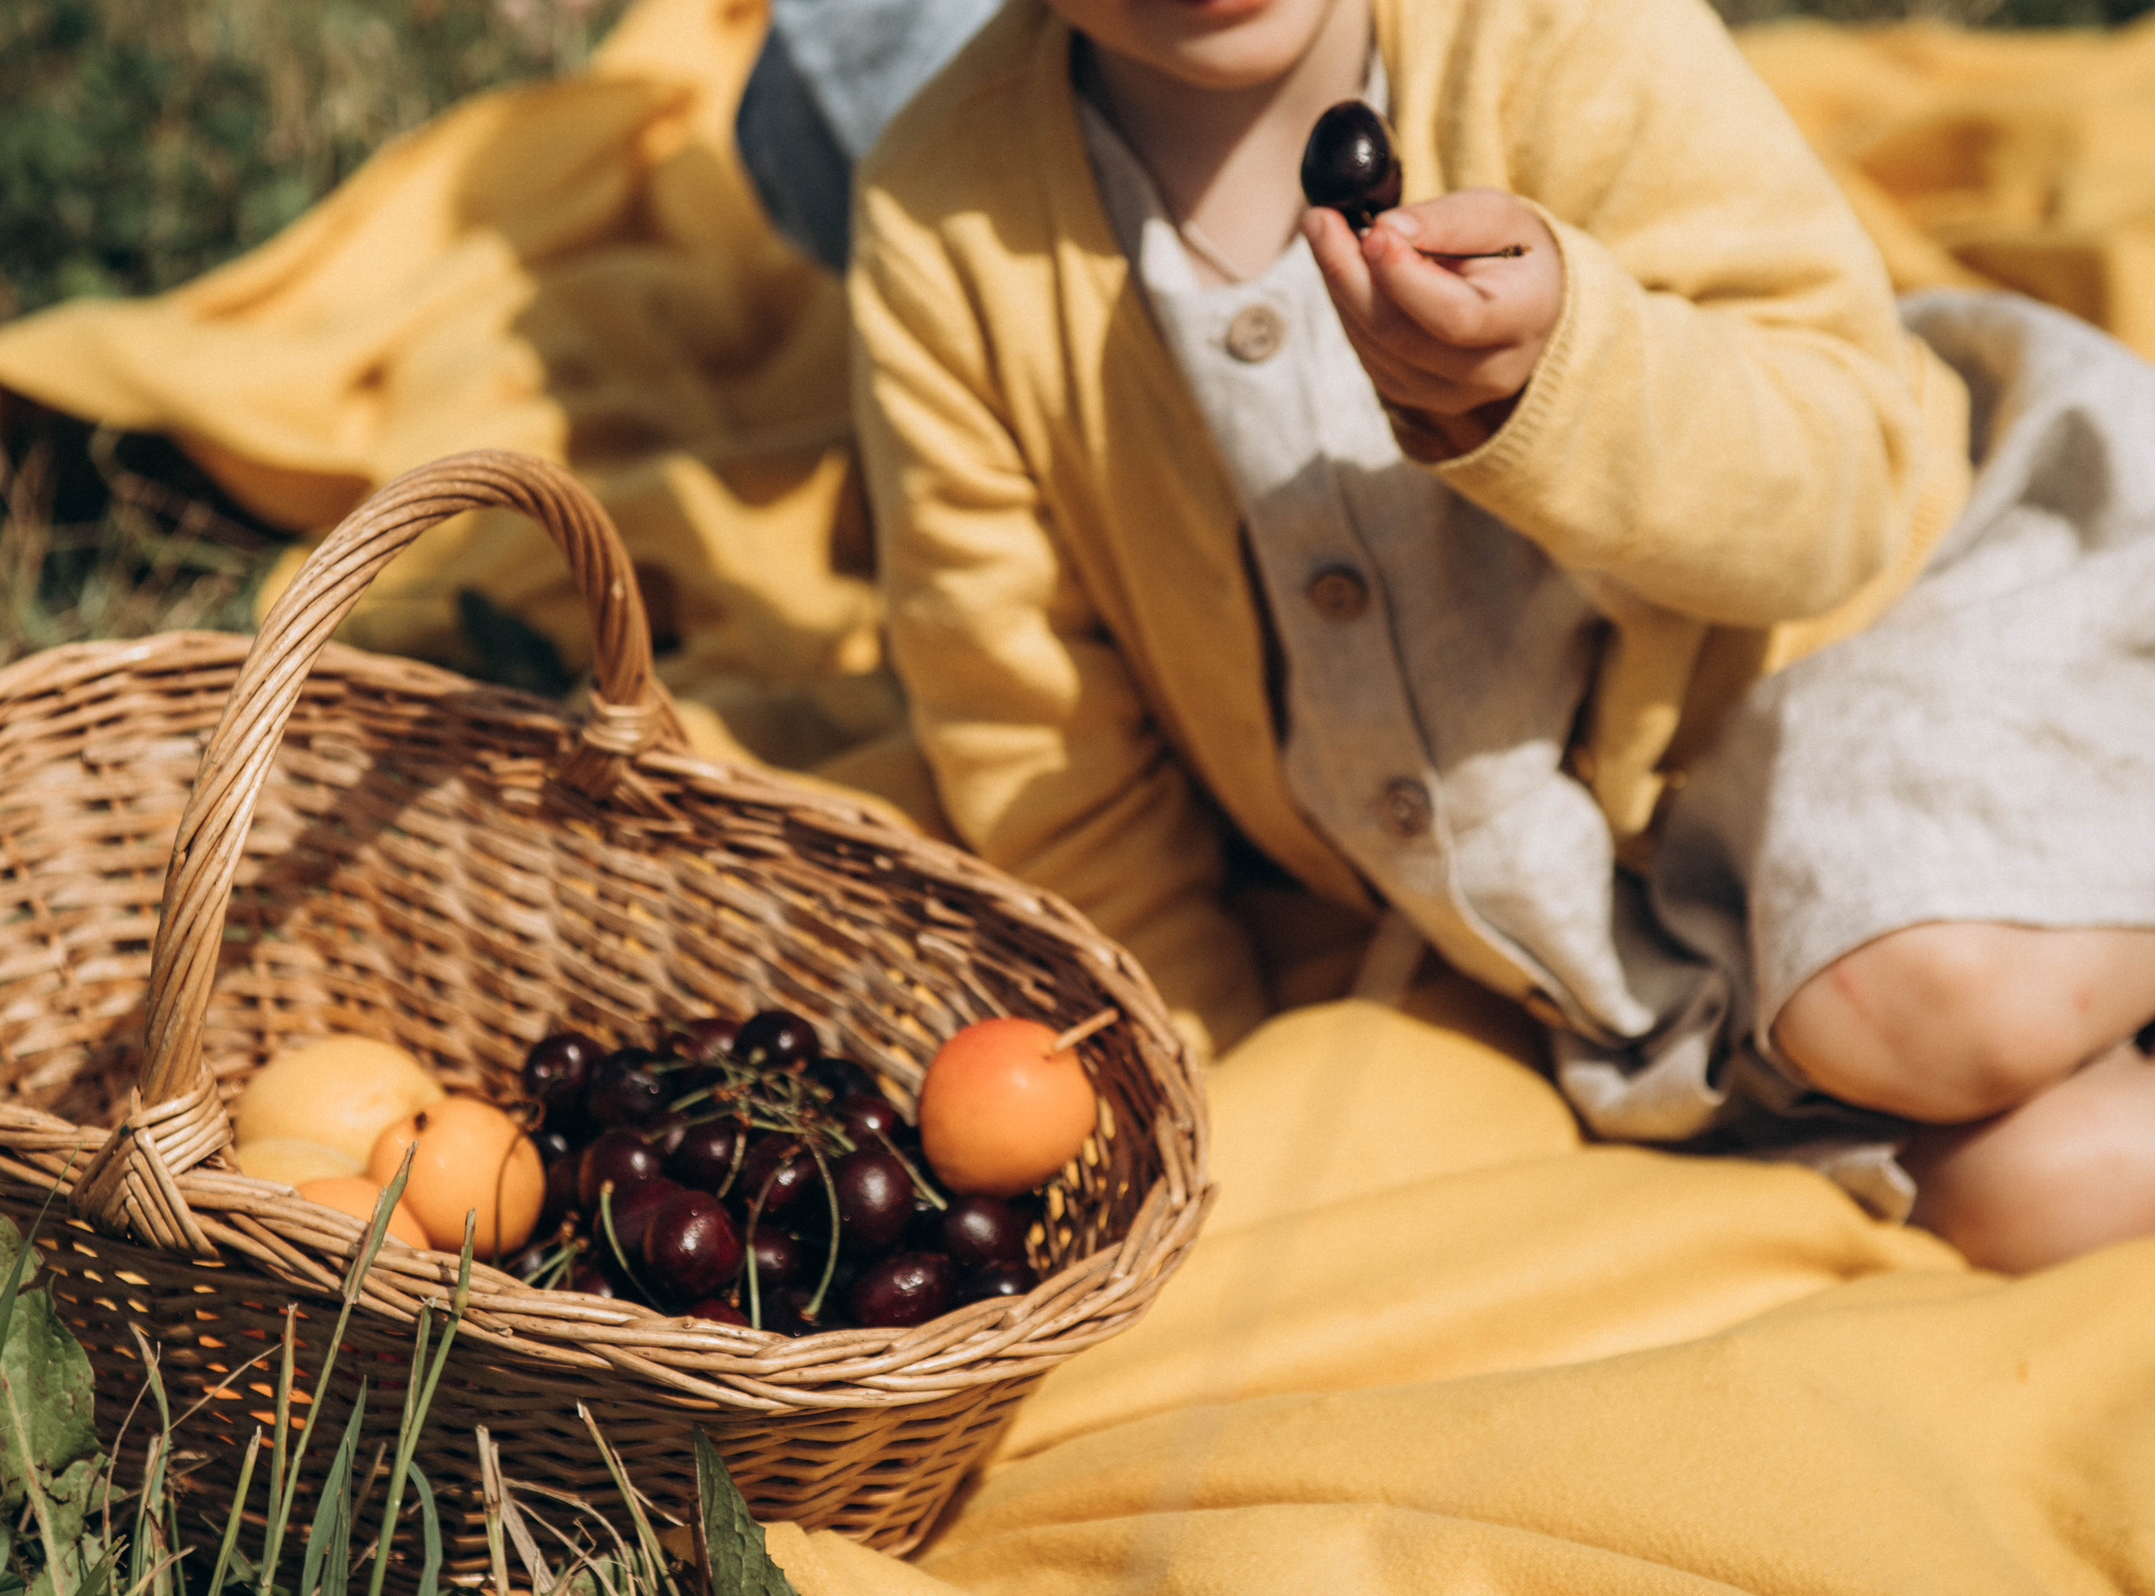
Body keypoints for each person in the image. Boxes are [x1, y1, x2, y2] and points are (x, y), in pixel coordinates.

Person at [835, 0, 2155, 1273]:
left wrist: (1560, 375)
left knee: (1912, 996)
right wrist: (1180, 1086)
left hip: (1913, 619)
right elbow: (1039, 733)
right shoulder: (943, 217)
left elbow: (1844, 488)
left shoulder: (1561, 37)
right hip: (1649, 917)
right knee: (2038, 1197)